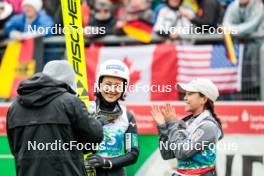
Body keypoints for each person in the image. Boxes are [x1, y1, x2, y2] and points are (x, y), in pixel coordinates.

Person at [6, 60, 104, 176]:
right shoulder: (71, 102)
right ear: (69, 82)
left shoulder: (14, 107)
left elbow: (15, 149)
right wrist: (97, 122)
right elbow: (95, 136)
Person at [151, 78, 224, 176]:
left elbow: (182, 153)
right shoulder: (187, 123)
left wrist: (172, 123)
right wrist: (163, 127)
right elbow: (167, 154)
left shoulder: (208, 126)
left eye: (190, 94)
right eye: (185, 94)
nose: (185, 98)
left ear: (204, 99)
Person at [84, 59, 140, 176]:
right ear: (99, 85)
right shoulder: (86, 109)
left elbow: (133, 153)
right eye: (108, 84)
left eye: (118, 86)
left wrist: (107, 162)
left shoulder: (127, 116)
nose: (112, 90)